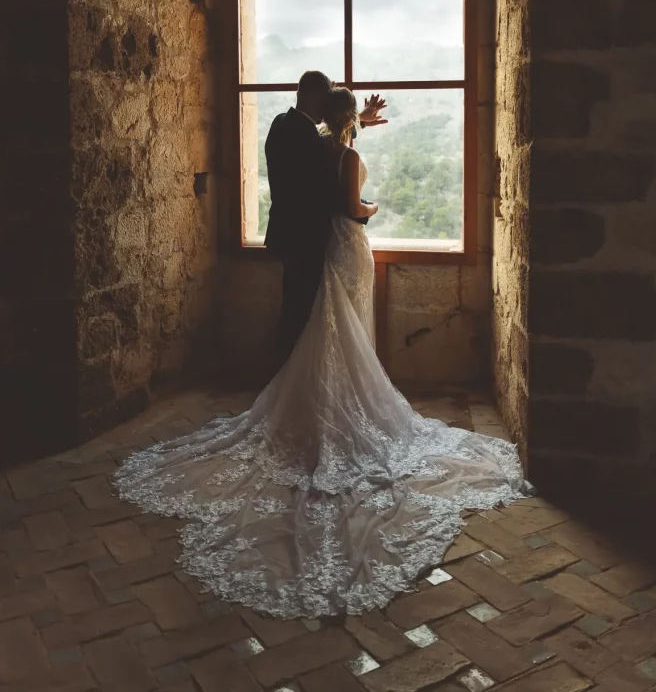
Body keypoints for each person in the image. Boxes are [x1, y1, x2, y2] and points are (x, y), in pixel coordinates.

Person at [114, 85, 531, 619]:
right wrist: (376, 206)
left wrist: (362, 125)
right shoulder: (345, 152)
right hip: (350, 243)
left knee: (327, 329)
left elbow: (335, 152)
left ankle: (316, 402)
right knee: (348, 328)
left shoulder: (323, 146)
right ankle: (341, 406)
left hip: (325, 244)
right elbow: (355, 205)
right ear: (350, 117)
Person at [264, 71, 386, 370]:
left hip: (286, 233)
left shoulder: (281, 123)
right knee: (301, 315)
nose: (325, 110)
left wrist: (358, 121)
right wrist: (367, 207)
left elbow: (329, 142)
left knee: (297, 311)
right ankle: (288, 384)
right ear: (314, 96)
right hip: (307, 238)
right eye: (326, 99)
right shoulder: (307, 139)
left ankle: (285, 382)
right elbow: (331, 180)